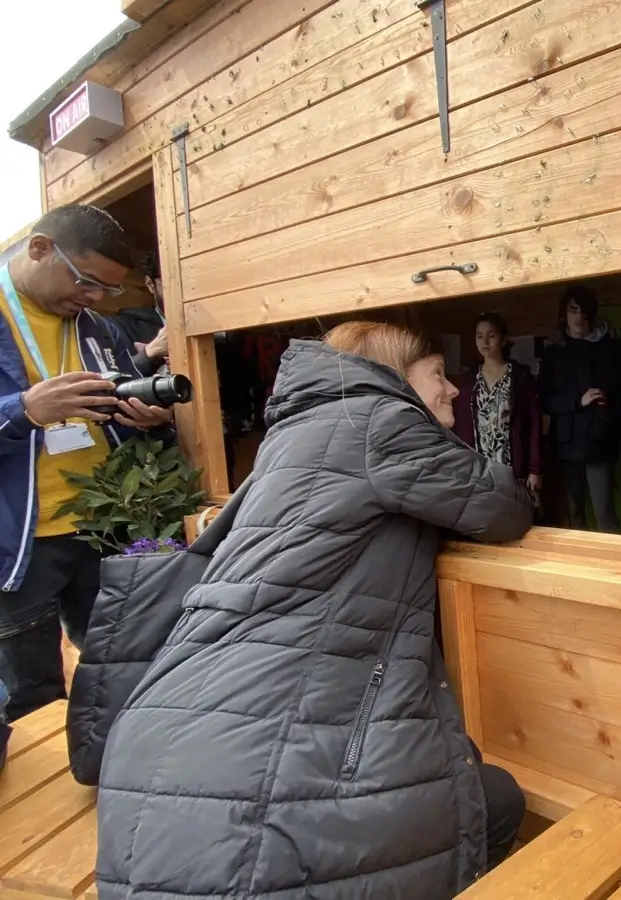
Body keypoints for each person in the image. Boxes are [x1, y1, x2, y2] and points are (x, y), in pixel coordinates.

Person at [95, 322, 535, 900]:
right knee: (487, 804)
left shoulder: (293, 434)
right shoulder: (379, 420)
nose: (453, 388)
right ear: (392, 375)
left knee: (488, 798)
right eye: (436, 375)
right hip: (263, 765)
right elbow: (502, 504)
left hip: (167, 736)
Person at [0, 205, 174, 721]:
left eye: (108, 289)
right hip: (17, 547)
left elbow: (113, 406)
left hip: (101, 530)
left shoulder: (97, 327)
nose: (96, 298)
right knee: (32, 698)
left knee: (118, 670)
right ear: (39, 248)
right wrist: (25, 411)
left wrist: (145, 420)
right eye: (87, 281)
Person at [538, 284, 621, 533]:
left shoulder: (612, 350)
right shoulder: (553, 353)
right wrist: (576, 401)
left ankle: (617, 569)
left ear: (592, 314)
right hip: (567, 445)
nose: (579, 317)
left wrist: (610, 421)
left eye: (584, 311)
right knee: (573, 515)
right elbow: (544, 400)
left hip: (600, 443)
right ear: (564, 314)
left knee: (604, 513)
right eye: (573, 310)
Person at [452, 312, 542, 497]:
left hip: (513, 465)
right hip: (479, 468)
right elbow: (460, 426)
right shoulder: (469, 380)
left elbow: (534, 424)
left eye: (491, 335)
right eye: (479, 336)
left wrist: (535, 468)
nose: (485, 341)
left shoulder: (520, 377)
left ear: (503, 339)